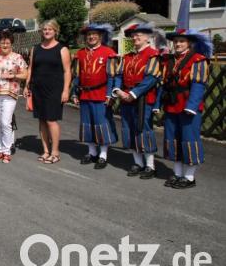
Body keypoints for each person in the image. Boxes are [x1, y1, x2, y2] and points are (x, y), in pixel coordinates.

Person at [159, 29, 211, 189]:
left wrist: (192, 107)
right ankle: (177, 173)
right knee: (172, 139)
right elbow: (164, 84)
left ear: (189, 43)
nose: (178, 44)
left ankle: (189, 177)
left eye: (182, 41)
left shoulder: (197, 59)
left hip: (188, 107)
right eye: (175, 42)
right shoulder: (169, 60)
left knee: (189, 140)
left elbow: (198, 85)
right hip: (171, 105)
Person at [113, 23, 161, 179]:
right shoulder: (127, 56)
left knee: (143, 129)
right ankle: (137, 163)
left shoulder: (153, 55)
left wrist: (133, 93)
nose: (135, 37)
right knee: (129, 128)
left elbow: (151, 78)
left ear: (148, 37)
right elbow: (119, 76)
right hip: (126, 97)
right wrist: (118, 90)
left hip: (143, 99)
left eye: (139, 34)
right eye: (133, 35)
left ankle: (150, 166)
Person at [72, 24, 118, 169]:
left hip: (101, 95)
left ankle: (103, 155)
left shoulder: (108, 52)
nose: (91, 37)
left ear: (100, 36)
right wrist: (74, 93)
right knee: (88, 124)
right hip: (85, 94)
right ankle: (92, 152)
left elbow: (112, 76)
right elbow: (76, 76)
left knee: (101, 125)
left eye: (94, 34)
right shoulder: (80, 53)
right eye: (89, 34)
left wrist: (109, 95)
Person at [24, 19, 70, 165]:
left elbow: (67, 71)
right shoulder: (35, 48)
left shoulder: (62, 49)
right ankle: (45, 151)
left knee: (51, 120)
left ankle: (55, 152)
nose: (47, 31)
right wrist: (27, 85)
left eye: (50, 29)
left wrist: (65, 90)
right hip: (38, 88)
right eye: (44, 29)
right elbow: (31, 68)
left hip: (54, 89)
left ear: (55, 31)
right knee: (42, 120)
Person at [0, 31, 28, 164]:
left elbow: (25, 74)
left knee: (5, 122)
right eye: (2, 42)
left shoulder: (17, 57)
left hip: (10, 93)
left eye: (7, 42)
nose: (5, 44)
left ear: (11, 43)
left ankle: (7, 151)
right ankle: (0, 150)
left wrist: (13, 76)